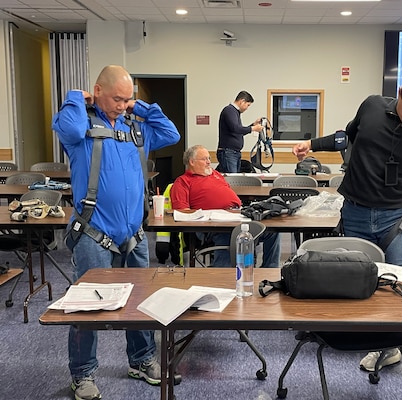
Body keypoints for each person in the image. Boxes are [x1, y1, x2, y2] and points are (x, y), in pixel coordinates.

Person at [292, 69, 402, 393]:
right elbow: (346, 137)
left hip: (396, 219)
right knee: (363, 281)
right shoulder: (370, 107)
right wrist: (310, 144)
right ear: (399, 92)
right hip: (355, 211)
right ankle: (379, 345)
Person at [53, 65, 180, 400]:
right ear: (97, 90)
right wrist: (75, 99)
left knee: (141, 302)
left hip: (133, 235)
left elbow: (172, 134)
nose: (122, 105)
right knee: (87, 308)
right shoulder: (82, 129)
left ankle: (141, 360)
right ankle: (82, 375)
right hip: (94, 233)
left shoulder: (135, 129)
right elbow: (68, 126)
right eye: (117, 98)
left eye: (128, 99)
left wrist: (139, 107)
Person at [170, 145, 281, 267]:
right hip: (212, 224)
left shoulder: (216, 174)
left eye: (209, 159)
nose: (209, 162)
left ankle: (269, 271)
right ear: (192, 162)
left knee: (272, 230)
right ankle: (223, 278)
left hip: (237, 215)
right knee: (230, 234)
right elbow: (182, 212)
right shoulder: (182, 182)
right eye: (204, 159)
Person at [217, 90, 263, 173]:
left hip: (233, 153)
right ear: (242, 101)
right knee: (232, 181)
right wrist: (253, 128)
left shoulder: (234, 112)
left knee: (235, 180)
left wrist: (253, 125)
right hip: (228, 152)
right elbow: (236, 128)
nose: (247, 108)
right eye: (247, 105)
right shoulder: (229, 110)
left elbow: (238, 131)